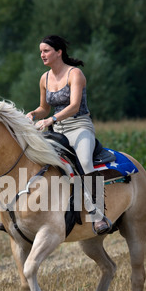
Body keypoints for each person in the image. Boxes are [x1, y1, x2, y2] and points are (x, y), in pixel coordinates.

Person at [26, 35, 111, 235]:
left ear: (58, 52)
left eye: (46, 51)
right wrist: (34, 114)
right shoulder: (44, 78)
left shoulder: (75, 74)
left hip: (80, 127)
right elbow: (43, 108)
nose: (42, 55)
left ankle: (98, 215)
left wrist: (51, 120)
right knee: (32, 159)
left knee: (85, 163)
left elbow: (73, 106)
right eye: (40, 51)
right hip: (56, 131)